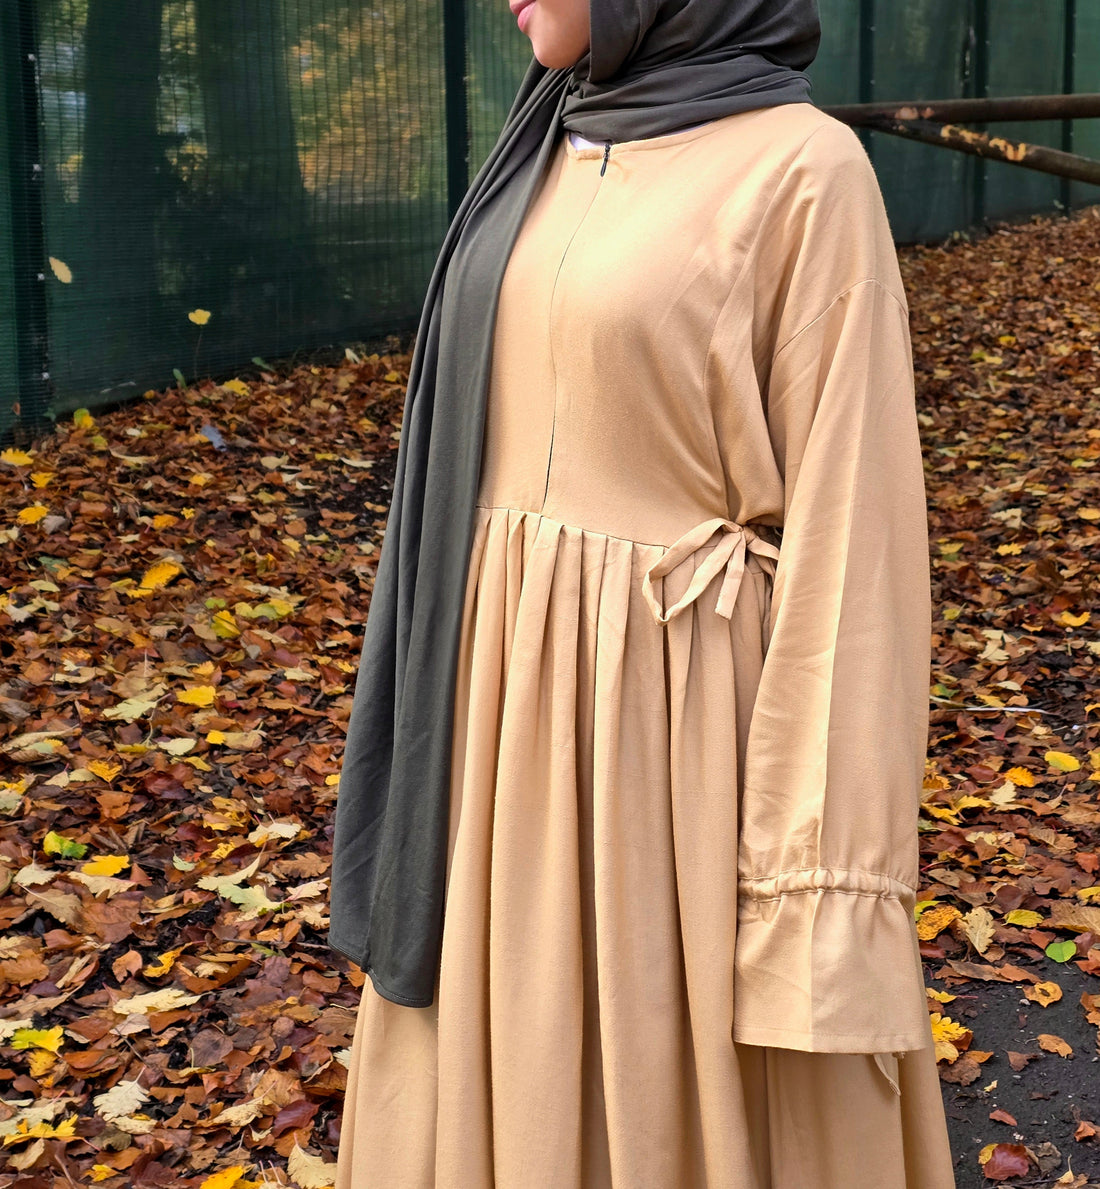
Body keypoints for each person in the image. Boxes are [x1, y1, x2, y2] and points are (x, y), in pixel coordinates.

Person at [329, 0, 957, 1185]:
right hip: (497, 717)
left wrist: (816, 883)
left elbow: (855, 544)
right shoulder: (552, 132)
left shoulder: (804, 171)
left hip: (678, 740)